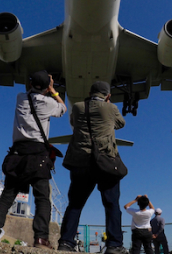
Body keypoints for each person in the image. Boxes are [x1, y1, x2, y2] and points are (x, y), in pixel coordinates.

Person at [0, 71, 67, 246]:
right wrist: (53, 90)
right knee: (42, 199)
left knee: (8, 196)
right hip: (38, 154)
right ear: (47, 87)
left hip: (18, 153)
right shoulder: (48, 103)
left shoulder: (20, 97)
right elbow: (63, 108)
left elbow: (32, 91)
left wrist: (42, 87)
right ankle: (40, 238)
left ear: (30, 84)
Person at [57, 81, 127, 254]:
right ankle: (114, 245)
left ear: (89, 92)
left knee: (75, 204)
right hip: (105, 161)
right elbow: (120, 124)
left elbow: (74, 123)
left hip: (81, 161)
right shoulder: (111, 108)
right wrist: (108, 106)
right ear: (108, 96)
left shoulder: (78, 107)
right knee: (112, 205)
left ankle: (66, 242)